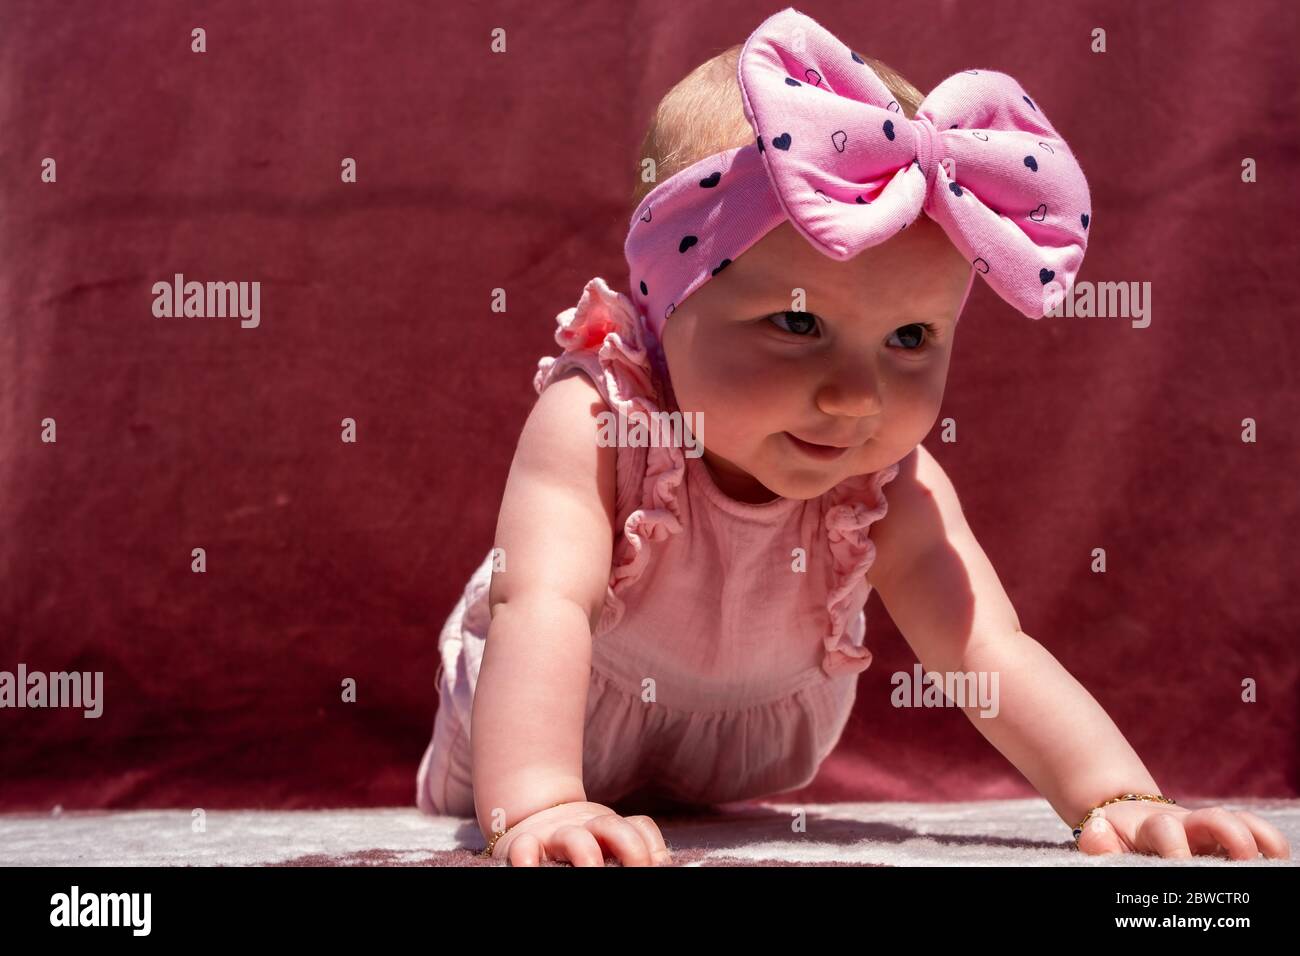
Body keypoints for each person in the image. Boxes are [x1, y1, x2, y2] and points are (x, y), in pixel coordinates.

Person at [415, 6, 1291, 867]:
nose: (855, 396)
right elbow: (543, 604)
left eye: (910, 339)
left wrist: (1120, 797)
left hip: (732, 763)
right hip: (537, 715)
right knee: (535, 730)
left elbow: (987, 647)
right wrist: (538, 802)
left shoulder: (884, 482)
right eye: (797, 327)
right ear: (665, 303)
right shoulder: (604, 422)